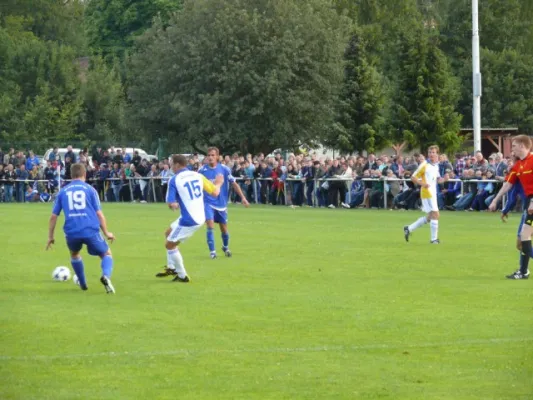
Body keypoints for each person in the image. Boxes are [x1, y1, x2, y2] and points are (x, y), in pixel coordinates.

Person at [46, 163, 116, 293]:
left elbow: (53, 217)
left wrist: (50, 236)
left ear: (71, 175)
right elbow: (99, 214)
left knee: (75, 254)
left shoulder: (63, 192)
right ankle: (105, 276)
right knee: (106, 254)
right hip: (90, 230)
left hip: (72, 232)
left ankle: (83, 283)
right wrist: (106, 232)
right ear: (84, 174)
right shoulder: (90, 190)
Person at [155, 155, 224, 282]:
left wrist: (173, 204)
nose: (170, 167)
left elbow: (170, 202)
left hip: (188, 220)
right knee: (168, 233)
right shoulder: (197, 175)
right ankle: (171, 267)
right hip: (199, 216)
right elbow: (215, 192)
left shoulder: (174, 180)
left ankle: (182, 275)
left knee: (169, 245)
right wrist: (219, 183)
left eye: (171, 164)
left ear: (177, 164)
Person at [489, 135, 533, 279]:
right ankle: (523, 271)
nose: (512, 149)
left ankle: (523, 271)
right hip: (529, 203)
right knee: (523, 238)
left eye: (514, 145)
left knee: (524, 237)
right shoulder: (518, 165)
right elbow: (508, 184)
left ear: (522, 145)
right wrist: (495, 200)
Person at [199, 147, 249, 259]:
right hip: (208, 203)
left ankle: (225, 247)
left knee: (224, 228)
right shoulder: (202, 171)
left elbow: (234, 184)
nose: (210, 157)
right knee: (210, 225)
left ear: (217, 156)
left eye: (213, 155)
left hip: (221, 204)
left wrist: (243, 198)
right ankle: (212, 252)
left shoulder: (225, 169)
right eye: (209, 155)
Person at [403, 145, 448, 244]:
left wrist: (444, 179)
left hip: (433, 192)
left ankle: (409, 229)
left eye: (433, 152)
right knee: (435, 214)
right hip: (427, 192)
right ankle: (434, 239)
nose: (431, 154)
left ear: (437, 154)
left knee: (430, 217)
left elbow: (438, 180)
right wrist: (422, 184)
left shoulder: (436, 165)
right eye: (430, 152)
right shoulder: (424, 165)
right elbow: (413, 177)